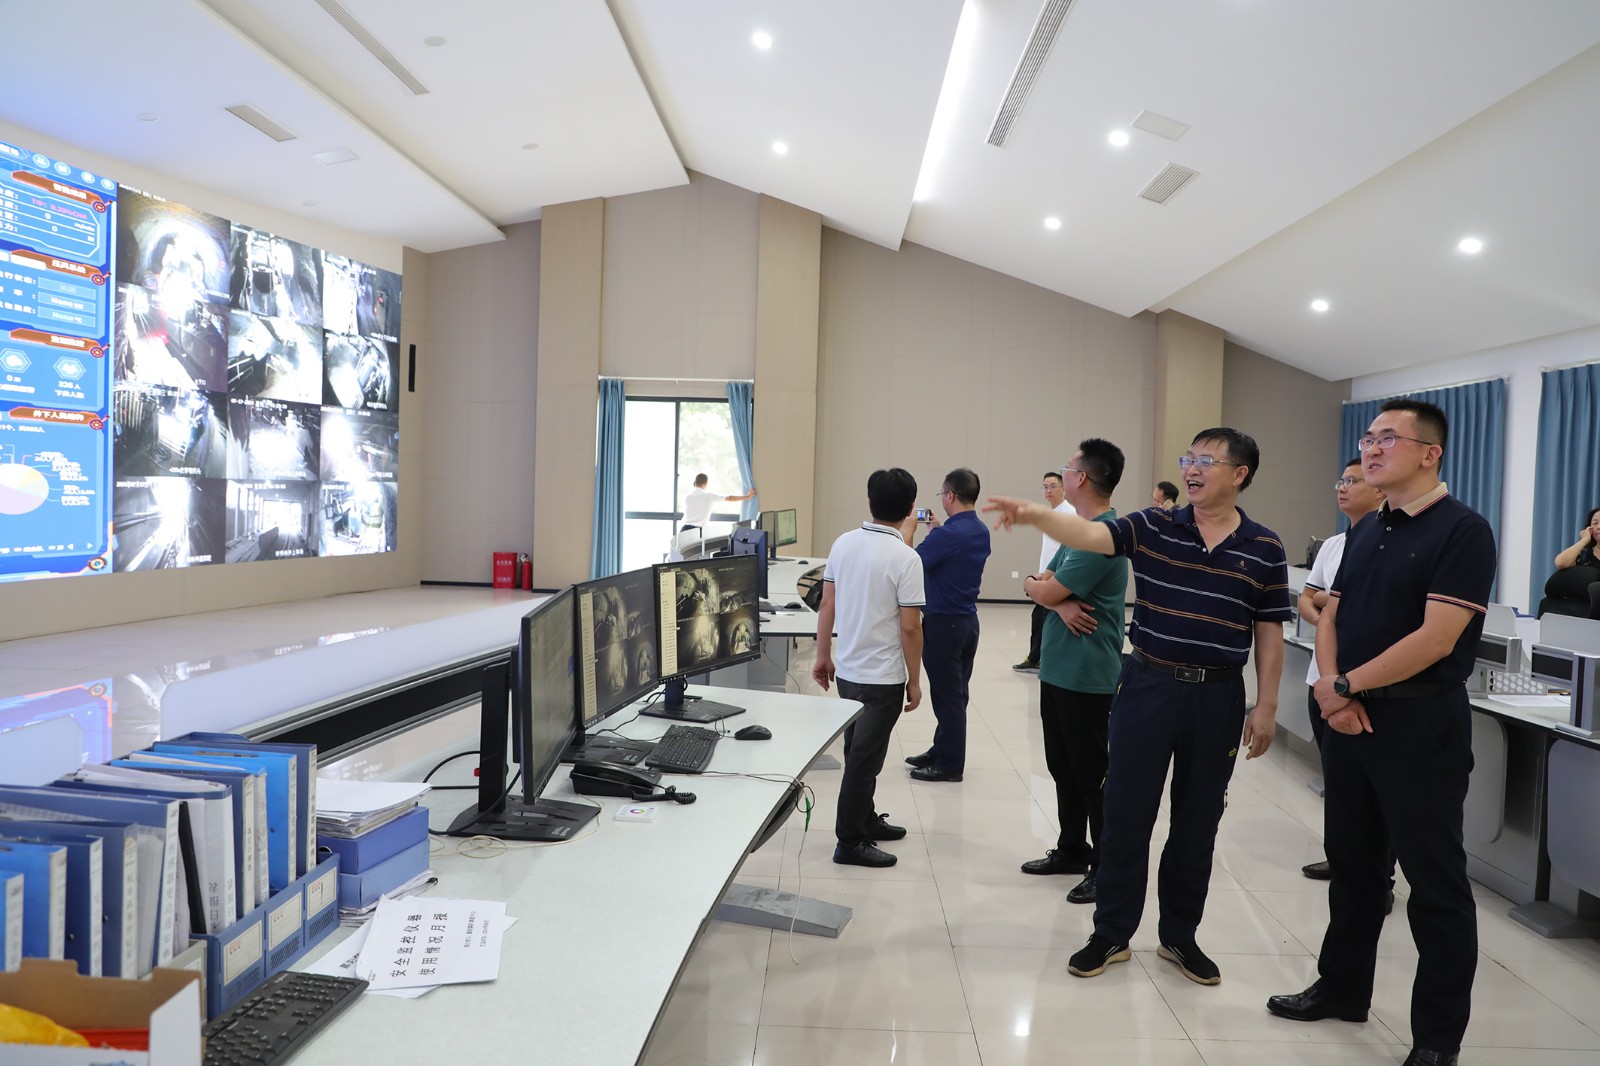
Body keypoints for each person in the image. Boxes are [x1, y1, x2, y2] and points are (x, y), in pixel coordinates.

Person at [986, 427, 1289, 986]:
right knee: (1126, 814)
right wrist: (1036, 514)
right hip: (1149, 684)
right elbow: (1089, 533)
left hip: (1218, 695)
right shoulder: (1152, 525)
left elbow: (1269, 630)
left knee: (1198, 822)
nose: (1192, 469)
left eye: (1207, 461)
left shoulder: (1265, 547)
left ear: (1240, 473)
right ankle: (1111, 933)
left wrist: (1266, 705)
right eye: (1188, 458)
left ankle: (1180, 936)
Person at [1267, 399, 1496, 1066]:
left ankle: (1437, 1039)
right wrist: (1333, 690)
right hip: (1350, 719)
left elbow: (1436, 638)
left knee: (1434, 884)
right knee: (1354, 867)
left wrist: (1344, 687)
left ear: (1430, 453)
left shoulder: (1462, 530)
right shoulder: (1369, 528)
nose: (1371, 448)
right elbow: (1331, 613)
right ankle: (1342, 989)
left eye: (1387, 438)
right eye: (1369, 437)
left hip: (1419, 724)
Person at [1017, 439, 1128, 906]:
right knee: (1062, 766)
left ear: (1081, 478)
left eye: (1066, 468)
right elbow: (1041, 583)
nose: (1061, 475)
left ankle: (1105, 868)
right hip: (1060, 669)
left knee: (1091, 774)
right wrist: (1056, 600)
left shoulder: (1101, 535)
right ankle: (1071, 849)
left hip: (1086, 673)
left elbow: (1045, 589)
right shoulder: (1079, 529)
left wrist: (1048, 594)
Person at [812, 468, 926, 868]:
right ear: (910, 509)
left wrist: (823, 655)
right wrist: (915, 680)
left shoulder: (843, 543)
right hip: (882, 679)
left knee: (857, 752)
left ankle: (864, 817)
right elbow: (910, 628)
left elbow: (827, 605)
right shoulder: (906, 558)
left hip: (848, 672)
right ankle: (850, 841)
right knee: (864, 761)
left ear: (869, 502)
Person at [1296, 458, 1383, 881]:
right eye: (1341, 481)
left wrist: (1331, 608)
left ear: (1380, 489)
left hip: (1362, 682)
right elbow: (1307, 599)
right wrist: (1329, 622)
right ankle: (1341, 858)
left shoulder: (1387, 542)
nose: (1342, 488)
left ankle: (1378, 875)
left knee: (1371, 787)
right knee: (1336, 778)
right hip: (1322, 680)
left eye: (1353, 481)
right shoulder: (1333, 545)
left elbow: (1341, 602)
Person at [902, 468, 991, 783]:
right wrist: (937, 531)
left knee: (947, 697)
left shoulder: (946, 536)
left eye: (942, 494)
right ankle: (942, 749)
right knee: (956, 693)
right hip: (967, 623)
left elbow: (909, 566)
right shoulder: (979, 530)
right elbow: (953, 559)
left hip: (943, 626)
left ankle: (950, 764)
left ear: (950, 495)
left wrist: (909, 532)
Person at [1013, 471, 1070, 672]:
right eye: (1045, 487)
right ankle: (1035, 658)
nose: (1048, 490)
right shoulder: (1049, 512)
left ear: (1063, 488)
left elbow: (1068, 549)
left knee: (1050, 621)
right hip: (1045, 576)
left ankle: (1045, 660)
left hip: (1057, 577)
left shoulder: (1069, 513)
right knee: (1039, 618)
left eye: (1053, 486)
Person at [1537, 505, 1600, 618]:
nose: (1598, 527)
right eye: (1595, 523)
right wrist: (1584, 540)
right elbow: (1560, 562)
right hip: (1583, 614)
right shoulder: (1584, 554)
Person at [680, 473, 756, 532]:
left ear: (694, 483)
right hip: (697, 532)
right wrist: (748, 496)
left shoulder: (687, 497)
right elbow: (730, 498)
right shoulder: (709, 496)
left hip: (684, 530)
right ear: (705, 484)